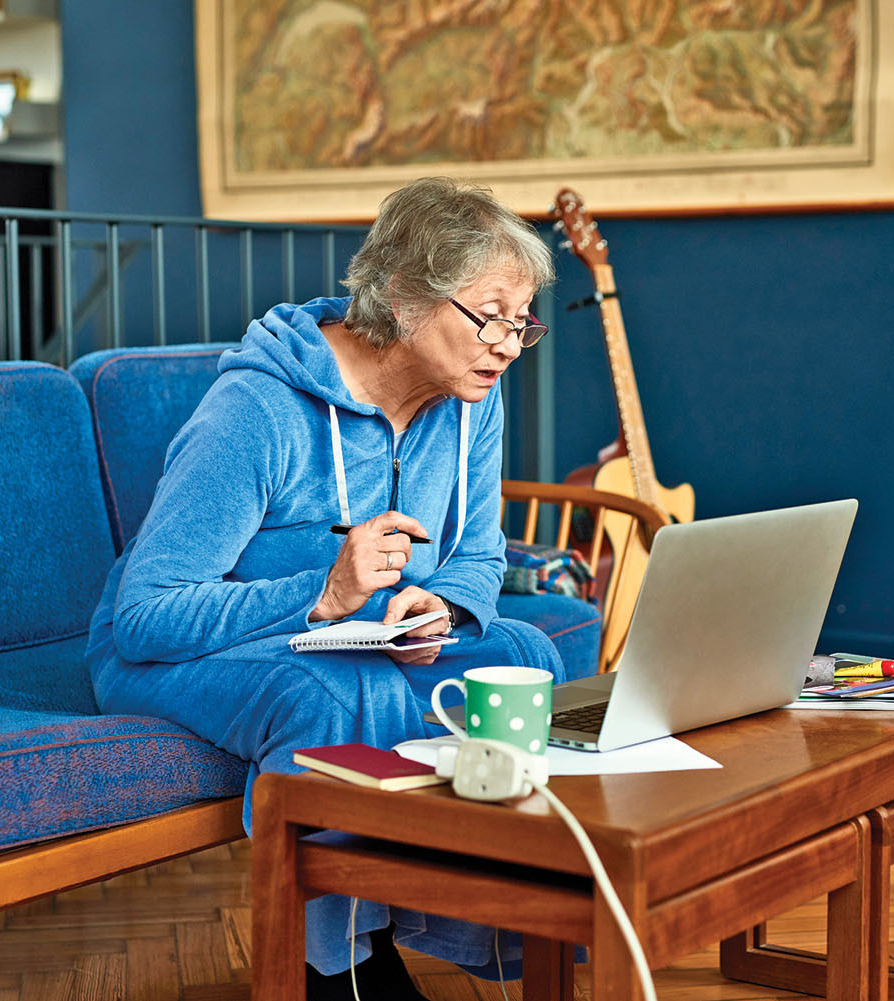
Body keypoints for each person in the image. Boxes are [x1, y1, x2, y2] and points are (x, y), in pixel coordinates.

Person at [84, 176, 576, 999]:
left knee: (518, 651)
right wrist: (320, 593)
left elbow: (481, 555)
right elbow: (145, 615)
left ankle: (489, 931)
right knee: (331, 693)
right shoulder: (256, 410)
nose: (505, 342)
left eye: (521, 321)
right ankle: (330, 967)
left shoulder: (470, 400)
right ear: (401, 295)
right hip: (175, 647)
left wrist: (444, 604)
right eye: (489, 314)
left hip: (356, 628)